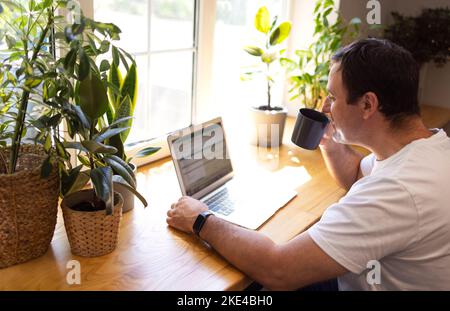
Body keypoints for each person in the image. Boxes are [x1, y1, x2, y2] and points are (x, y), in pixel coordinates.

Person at [166, 38, 450, 291]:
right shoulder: (429, 147)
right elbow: (356, 176)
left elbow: (278, 269)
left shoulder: (398, 190)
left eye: (333, 97)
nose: (325, 107)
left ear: (367, 105)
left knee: (249, 287)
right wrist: (330, 140)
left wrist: (201, 219)